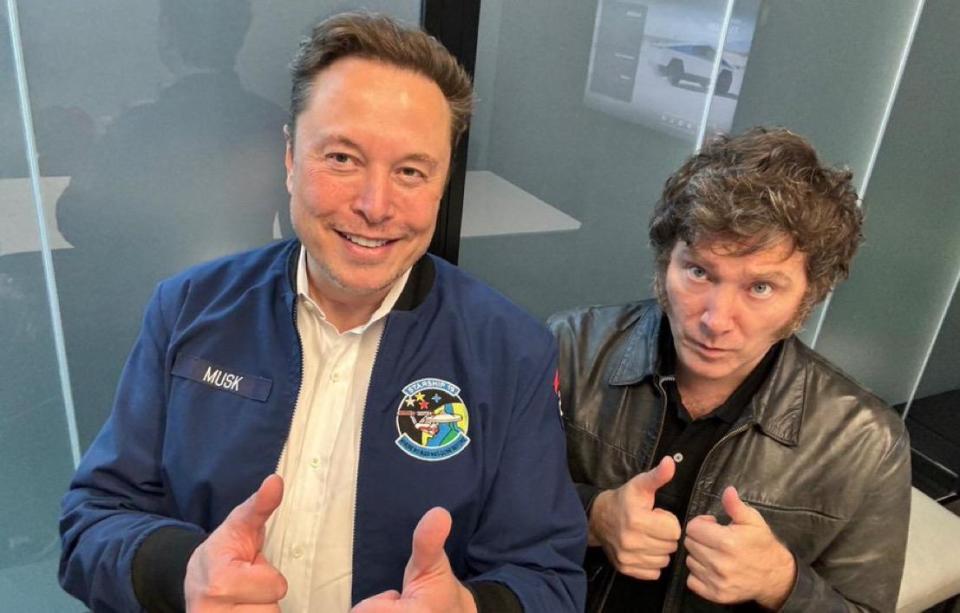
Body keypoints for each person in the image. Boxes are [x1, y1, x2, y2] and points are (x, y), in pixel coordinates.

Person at [59, 12, 586, 613]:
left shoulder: (511, 352)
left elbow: (549, 575)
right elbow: (92, 521)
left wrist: (469, 609)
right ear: (289, 156)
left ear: (442, 182)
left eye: (411, 171)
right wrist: (181, 572)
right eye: (341, 158)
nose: (374, 205)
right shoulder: (187, 310)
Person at [549, 127, 910, 612]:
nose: (716, 320)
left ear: (809, 295)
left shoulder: (864, 442)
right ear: (665, 265)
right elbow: (483, 501)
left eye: (760, 288)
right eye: (699, 272)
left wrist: (784, 584)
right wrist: (592, 515)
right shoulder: (571, 348)